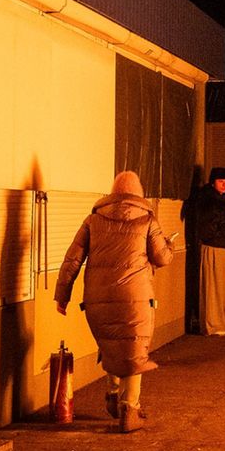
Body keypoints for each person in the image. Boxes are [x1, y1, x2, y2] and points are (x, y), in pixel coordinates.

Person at [54, 170, 174, 433]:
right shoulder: (147, 220)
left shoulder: (93, 220)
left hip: (98, 297)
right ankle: (129, 408)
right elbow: (162, 258)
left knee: (111, 341)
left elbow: (71, 260)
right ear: (138, 193)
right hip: (135, 297)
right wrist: (169, 245)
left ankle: (112, 392)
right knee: (133, 348)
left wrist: (62, 295)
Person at [192, 166, 225, 335]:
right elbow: (210, 218)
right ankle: (213, 324)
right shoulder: (207, 199)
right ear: (213, 183)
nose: (224, 185)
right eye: (220, 181)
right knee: (214, 287)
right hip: (213, 245)